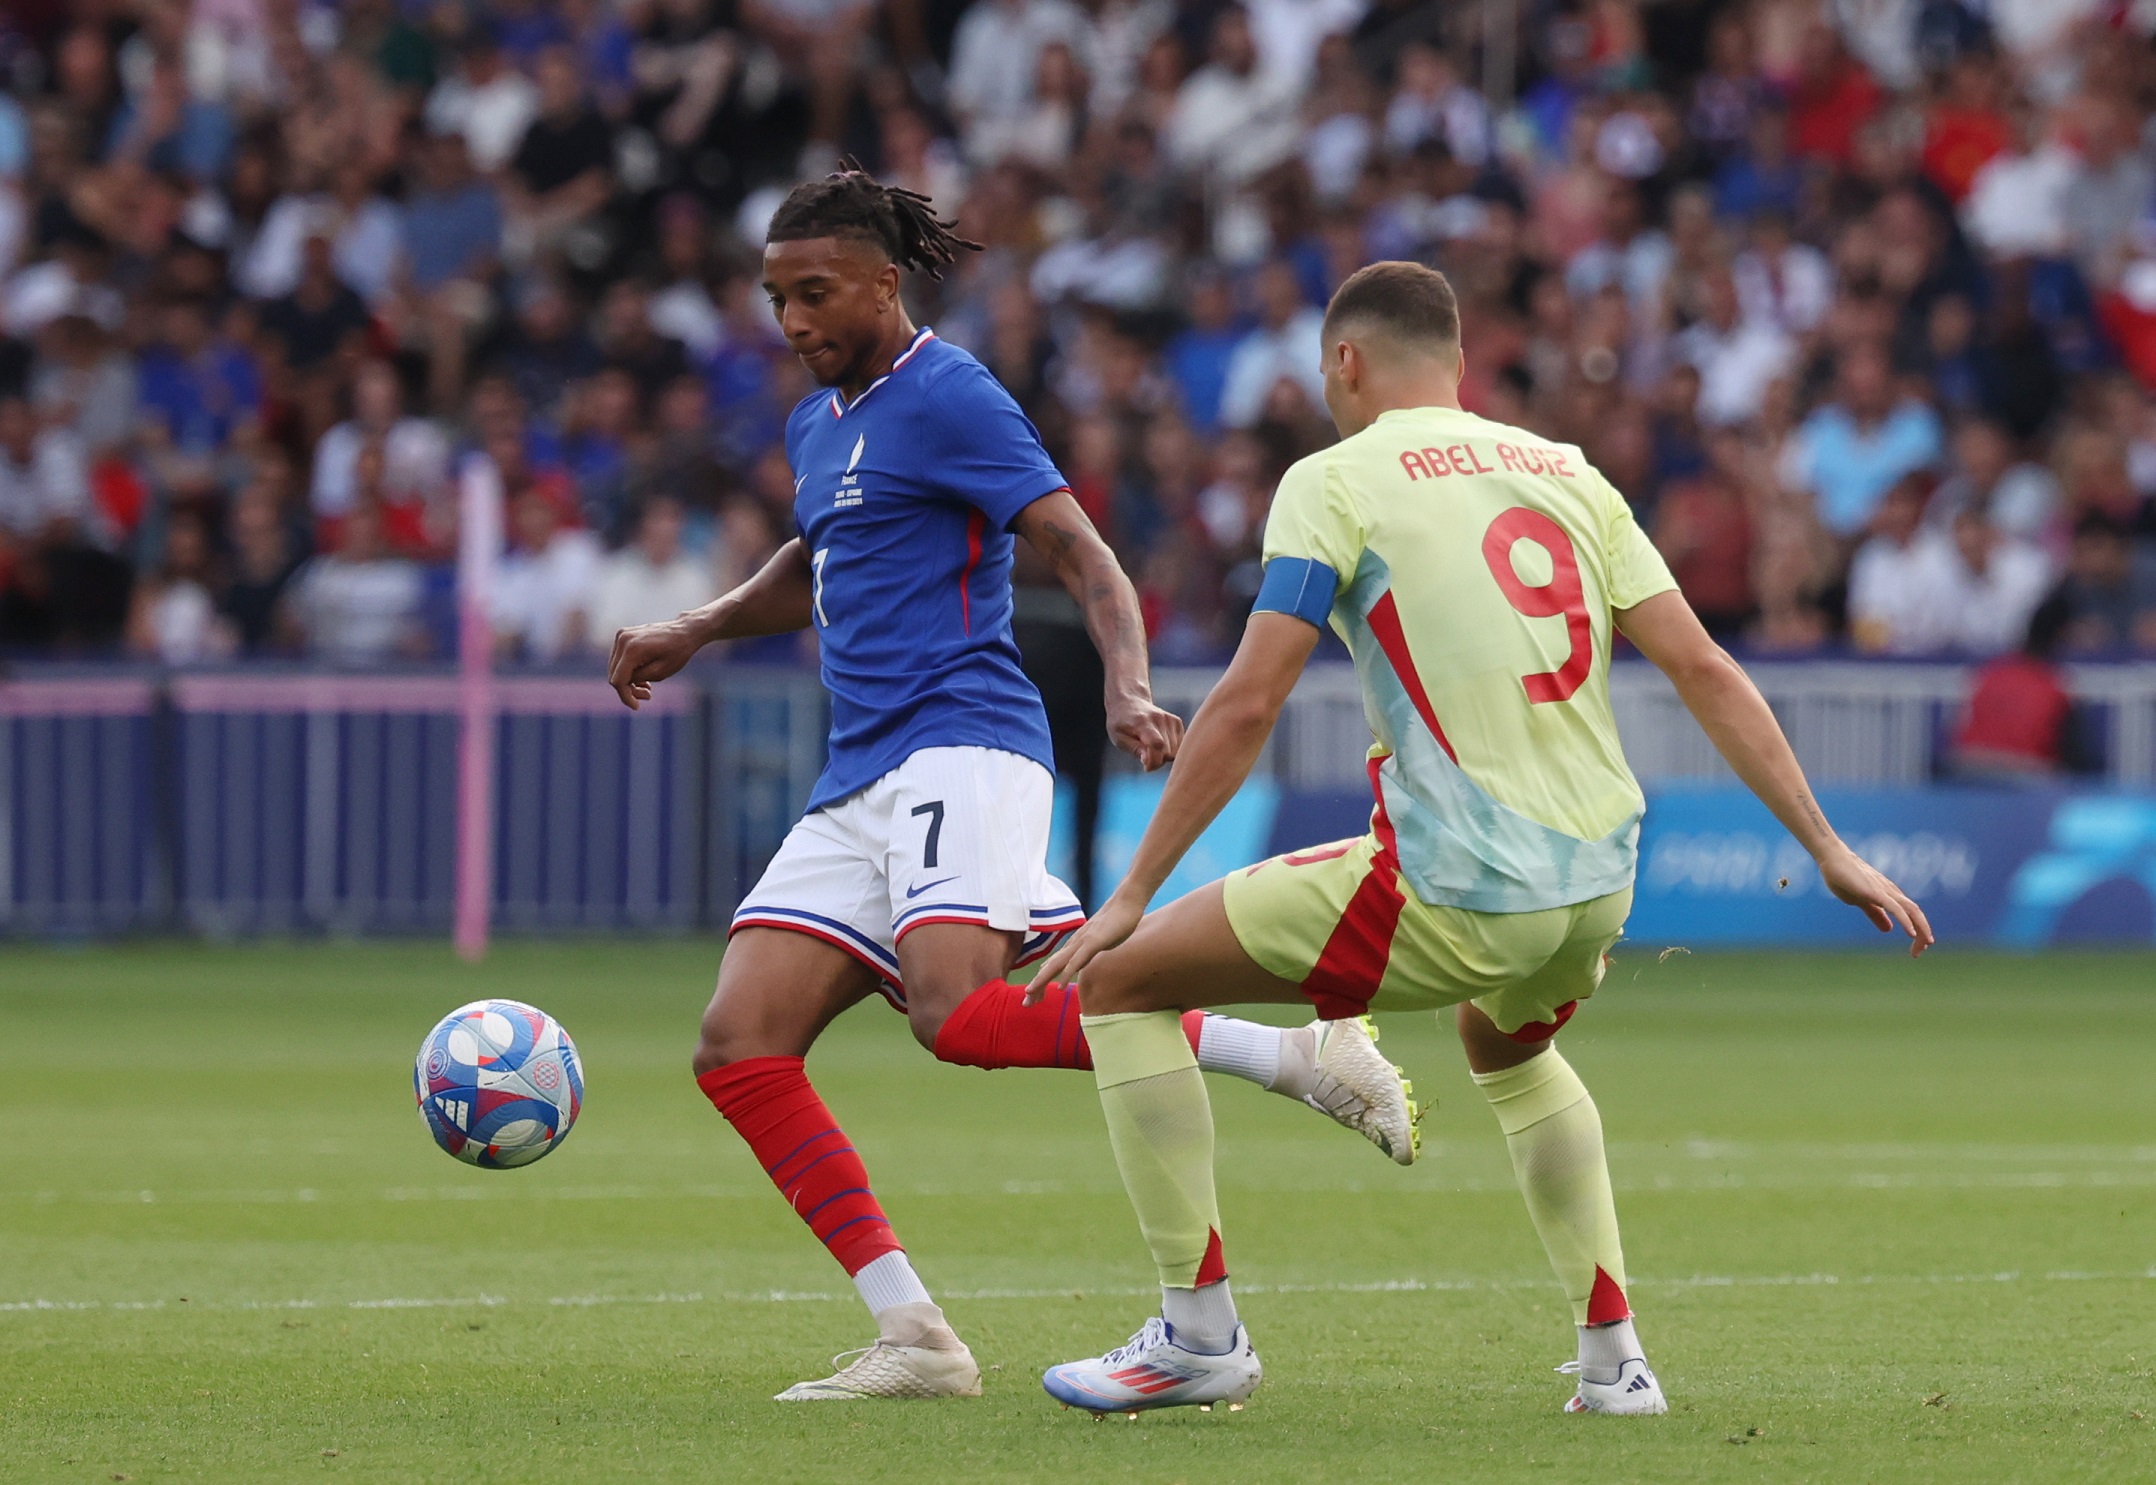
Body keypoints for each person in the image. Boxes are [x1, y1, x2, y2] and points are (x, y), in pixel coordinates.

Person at [1026, 262, 1933, 1416]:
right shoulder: (1567, 472)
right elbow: (1702, 664)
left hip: (1451, 880)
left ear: (1344, 363)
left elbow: (1250, 700)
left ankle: (1197, 1336)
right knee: (1503, 1048)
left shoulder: (1331, 481)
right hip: (1599, 880)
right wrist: (1826, 846)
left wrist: (1129, 889)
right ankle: (1615, 1365)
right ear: (1457, 365)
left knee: (1117, 979)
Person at [603, 166, 1416, 1403]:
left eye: (815, 293)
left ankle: (1285, 1058)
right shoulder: (817, 423)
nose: (794, 323)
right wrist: (700, 624)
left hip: (962, 745)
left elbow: (1078, 547)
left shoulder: (952, 395)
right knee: (739, 1047)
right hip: (860, 768)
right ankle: (918, 1338)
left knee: (956, 1018)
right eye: (775, 299)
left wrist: (1125, 682)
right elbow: (821, 552)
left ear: (886, 282)